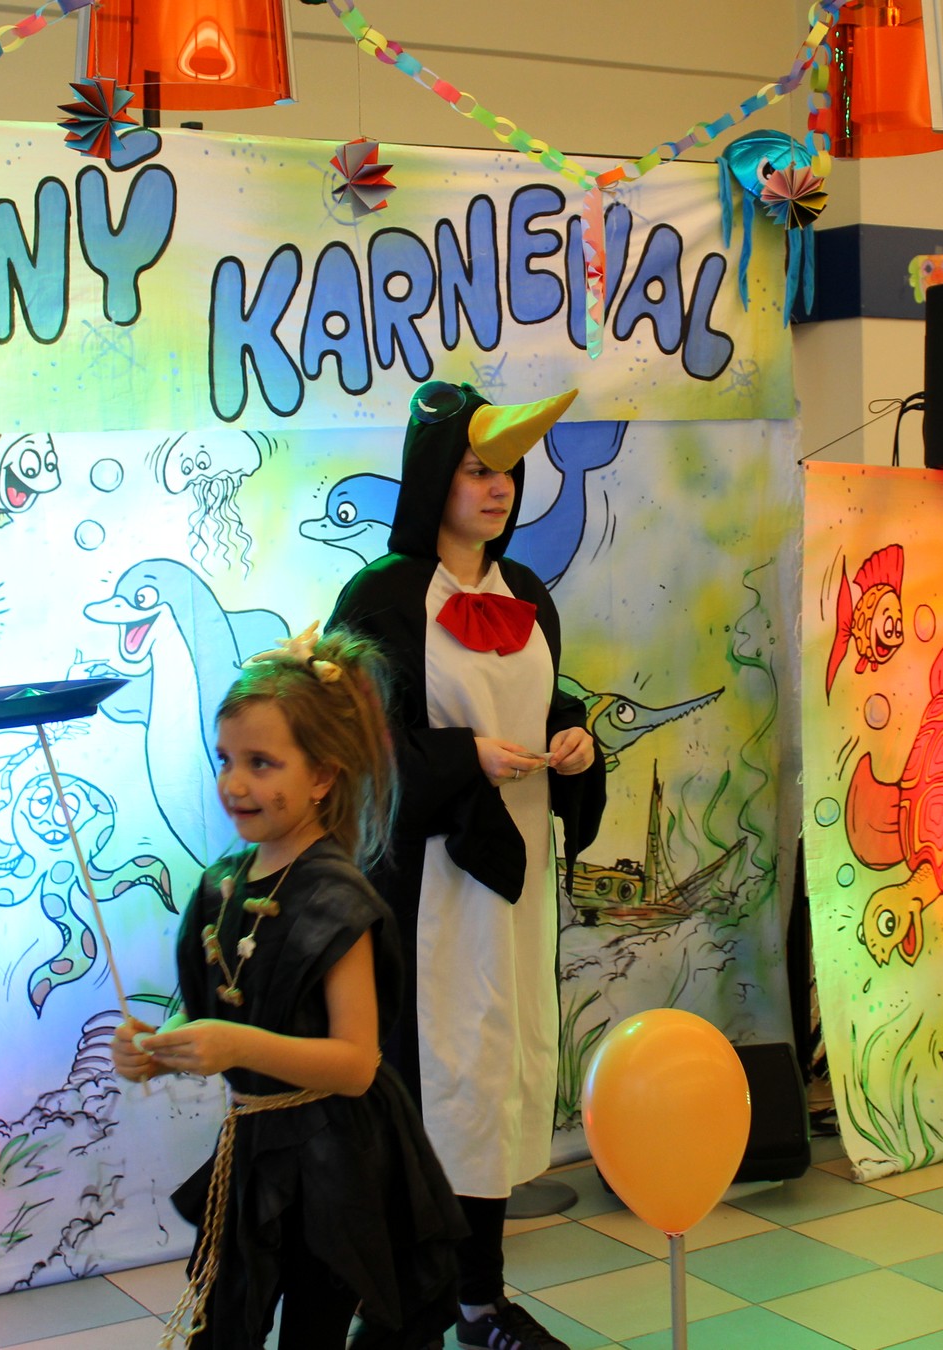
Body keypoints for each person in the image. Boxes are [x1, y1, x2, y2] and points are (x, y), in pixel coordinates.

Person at [329, 382, 605, 1350]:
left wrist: (573, 739)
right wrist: (462, 760)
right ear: (432, 477)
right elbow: (356, 748)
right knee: (425, 1082)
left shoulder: (527, 592)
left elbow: (544, 699)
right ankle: (398, 1309)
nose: (499, 490)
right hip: (427, 890)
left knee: (492, 1076)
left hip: (511, 884)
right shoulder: (379, 599)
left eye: (507, 474)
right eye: (477, 471)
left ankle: (482, 1299)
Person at [112, 623, 465, 1350]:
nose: (235, 783)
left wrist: (236, 1046)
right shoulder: (221, 886)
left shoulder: (337, 900)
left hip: (339, 1159)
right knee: (226, 1319)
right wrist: (155, 1048)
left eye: (262, 763)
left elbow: (355, 1064)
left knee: (313, 1324)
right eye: (226, 759)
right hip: (258, 1143)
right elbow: (217, 1006)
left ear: (323, 777)